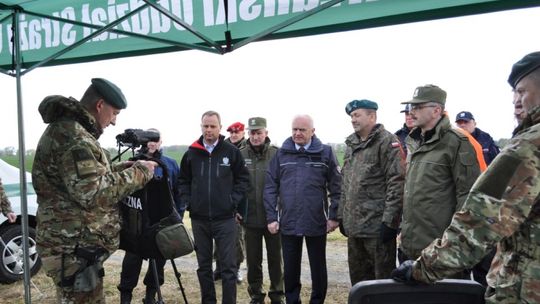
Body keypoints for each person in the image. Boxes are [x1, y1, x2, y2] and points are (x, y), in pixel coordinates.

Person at [391, 51, 540, 303]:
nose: (516, 101)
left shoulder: (526, 148)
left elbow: (479, 221)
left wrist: (423, 268)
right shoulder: (412, 141)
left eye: (522, 91)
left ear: (437, 109)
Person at [32, 78, 157, 303]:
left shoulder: (69, 130)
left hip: (73, 246)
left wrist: (119, 168)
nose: (114, 122)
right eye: (115, 113)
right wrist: (141, 173)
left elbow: (77, 180)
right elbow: (93, 192)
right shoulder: (75, 138)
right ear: (100, 105)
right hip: (73, 251)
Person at [398, 84, 481, 270]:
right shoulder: (415, 141)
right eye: (412, 107)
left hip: (439, 251)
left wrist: (452, 247)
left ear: (436, 110)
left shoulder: (457, 143)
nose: (412, 112)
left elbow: (467, 198)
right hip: (410, 245)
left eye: (418, 107)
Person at [264, 114, 341, 304]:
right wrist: (272, 217)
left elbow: (337, 187)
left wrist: (333, 216)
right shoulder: (281, 154)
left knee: (318, 267)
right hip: (288, 220)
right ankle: (292, 300)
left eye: (302, 130)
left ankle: (317, 300)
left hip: (317, 221)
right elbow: (270, 187)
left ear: (313, 131)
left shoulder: (325, 152)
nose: (297, 134)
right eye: (294, 130)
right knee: (290, 268)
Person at [178, 110, 250, 304]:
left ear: (219, 127)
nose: (209, 130)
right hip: (199, 219)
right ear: (201, 127)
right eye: (205, 126)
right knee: (203, 266)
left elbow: (243, 180)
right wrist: (189, 201)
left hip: (225, 219)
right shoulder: (192, 153)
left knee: (228, 267)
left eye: (212, 126)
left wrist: (232, 201)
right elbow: (183, 180)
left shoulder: (231, 152)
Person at [338, 100, 405, 285]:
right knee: (359, 283)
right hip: (355, 229)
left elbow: (397, 182)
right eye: (351, 116)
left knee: (381, 284)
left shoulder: (387, 142)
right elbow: (346, 182)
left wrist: (390, 222)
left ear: (372, 116)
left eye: (357, 115)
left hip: (377, 229)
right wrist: (342, 216)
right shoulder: (352, 145)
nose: (353, 120)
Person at [118, 128, 182, 304]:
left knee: (159, 261)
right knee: (131, 261)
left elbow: (178, 193)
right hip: (136, 224)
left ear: (161, 142)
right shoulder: (132, 162)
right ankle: (125, 297)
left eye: (156, 139)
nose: (152, 143)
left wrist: (178, 217)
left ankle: (151, 296)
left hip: (161, 224)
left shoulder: (170, 164)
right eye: (149, 140)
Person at [238, 117, 284, 304]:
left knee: (276, 260)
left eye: (259, 132)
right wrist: (237, 209)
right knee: (253, 261)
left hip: (273, 217)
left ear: (266, 133)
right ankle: (256, 295)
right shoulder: (240, 155)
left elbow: (284, 183)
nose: (255, 136)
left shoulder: (277, 154)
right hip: (250, 217)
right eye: (252, 133)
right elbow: (236, 184)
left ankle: (277, 294)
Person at [214, 121, 247, 284]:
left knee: (237, 239)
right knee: (218, 237)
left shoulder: (246, 150)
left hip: (238, 201)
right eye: (231, 132)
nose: (234, 135)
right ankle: (219, 268)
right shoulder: (221, 148)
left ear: (243, 133)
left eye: (237, 132)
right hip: (220, 201)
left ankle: (237, 268)